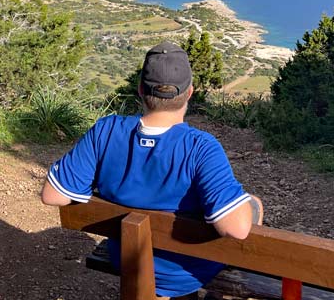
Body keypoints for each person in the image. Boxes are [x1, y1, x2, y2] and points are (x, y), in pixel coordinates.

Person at [41, 41, 262, 300]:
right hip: (188, 273)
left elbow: (52, 195)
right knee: (252, 205)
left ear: (140, 90)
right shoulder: (200, 148)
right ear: (190, 92)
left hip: (126, 260)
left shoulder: (106, 131)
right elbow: (237, 229)